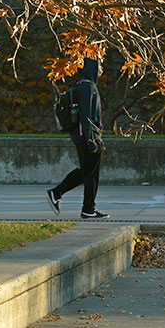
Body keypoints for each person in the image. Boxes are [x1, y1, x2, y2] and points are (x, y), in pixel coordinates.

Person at [46, 57, 108, 219]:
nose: (101, 69)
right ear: (92, 66)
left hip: (84, 137)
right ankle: (59, 194)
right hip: (86, 137)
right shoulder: (87, 87)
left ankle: (87, 208)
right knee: (89, 173)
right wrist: (91, 141)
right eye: (99, 65)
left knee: (89, 173)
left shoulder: (83, 85)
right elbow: (86, 116)